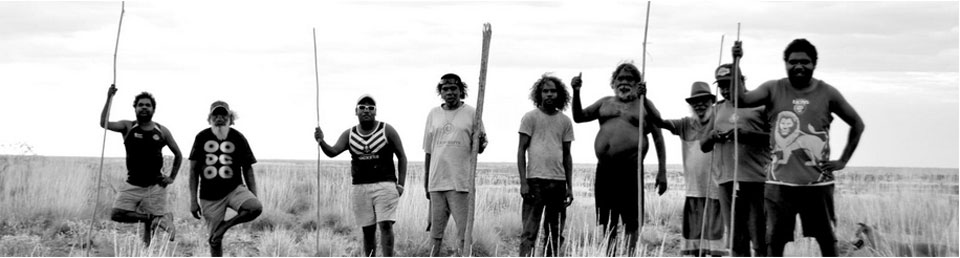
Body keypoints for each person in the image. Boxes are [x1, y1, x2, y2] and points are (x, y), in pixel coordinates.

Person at [731, 39, 866, 257]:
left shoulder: (827, 93)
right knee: (773, 243)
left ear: (814, 64)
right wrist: (736, 62)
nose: (799, 66)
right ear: (785, 64)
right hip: (779, 184)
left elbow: (857, 124)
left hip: (818, 184)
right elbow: (740, 100)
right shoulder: (773, 88)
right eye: (793, 62)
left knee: (827, 241)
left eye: (805, 62)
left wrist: (842, 161)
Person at [571, 63, 668, 255]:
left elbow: (658, 137)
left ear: (637, 83)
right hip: (605, 170)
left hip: (631, 170)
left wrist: (662, 171)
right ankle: (611, 254)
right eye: (620, 79)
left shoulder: (644, 106)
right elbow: (579, 117)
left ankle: (630, 254)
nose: (624, 82)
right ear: (613, 82)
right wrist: (576, 92)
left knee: (632, 221)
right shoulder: (605, 103)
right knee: (608, 221)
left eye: (629, 79)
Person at [314, 95, 408, 257]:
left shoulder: (387, 130)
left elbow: (402, 156)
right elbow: (333, 152)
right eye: (362, 107)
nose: (366, 110)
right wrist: (321, 141)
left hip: (385, 185)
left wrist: (400, 184)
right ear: (355, 111)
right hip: (360, 187)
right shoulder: (349, 134)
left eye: (371, 108)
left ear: (376, 112)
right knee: (368, 230)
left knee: (385, 225)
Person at [648, 82, 727, 257]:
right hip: (693, 193)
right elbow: (660, 121)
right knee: (694, 248)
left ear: (711, 101)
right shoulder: (685, 124)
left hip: (716, 193)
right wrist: (644, 98)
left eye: (703, 100)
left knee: (715, 248)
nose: (699, 104)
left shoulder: (721, 120)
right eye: (695, 102)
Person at [699, 64, 770, 257]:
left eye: (728, 84)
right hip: (727, 181)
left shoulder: (760, 105)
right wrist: (713, 136)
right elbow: (703, 144)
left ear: (741, 81)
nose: (724, 89)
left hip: (756, 180)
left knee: (760, 237)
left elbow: (775, 138)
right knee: (736, 239)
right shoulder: (717, 109)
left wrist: (747, 135)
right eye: (720, 85)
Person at [100, 84, 181, 245]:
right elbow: (104, 123)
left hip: (155, 185)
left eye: (148, 105)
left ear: (153, 109)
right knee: (117, 214)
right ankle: (158, 219)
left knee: (148, 226)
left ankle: (146, 250)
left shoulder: (161, 130)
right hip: (133, 184)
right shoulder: (128, 126)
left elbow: (178, 154)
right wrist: (109, 97)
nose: (144, 108)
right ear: (135, 108)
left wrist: (171, 177)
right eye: (140, 105)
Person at [423, 73, 487, 256]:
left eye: (453, 88)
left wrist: (480, 141)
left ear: (460, 90)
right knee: (435, 232)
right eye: (445, 89)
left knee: (464, 232)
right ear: (440, 92)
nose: (449, 92)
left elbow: (479, 148)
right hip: (437, 181)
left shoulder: (472, 113)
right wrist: (426, 181)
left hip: (460, 182)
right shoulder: (433, 114)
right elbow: (428, 150)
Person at [188, 101, 263, 257]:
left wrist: (253, 194)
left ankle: (224, 227)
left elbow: (247, 168)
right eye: (216, 115)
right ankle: (218, 235)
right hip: (209, 196)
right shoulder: (201, 137)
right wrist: (193, 201)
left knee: (255, 207)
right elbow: (193, 170)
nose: (220, 118)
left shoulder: (238, 137)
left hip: (234, 189)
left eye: (224, 115)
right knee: (214, 241)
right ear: (210, 118)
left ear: (230, 118)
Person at [517, 75, 575, 257]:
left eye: (553, 91)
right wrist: (523, 182)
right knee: (529, 232)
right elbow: (521, 151)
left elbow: (567, 155)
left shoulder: (565, 121)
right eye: (545, 91)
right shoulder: (530, 118)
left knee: (555, 233)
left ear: (559, 94)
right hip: (535, 182)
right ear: (539, 94)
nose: (549, 95)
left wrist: (569, 186)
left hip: (558, 183)